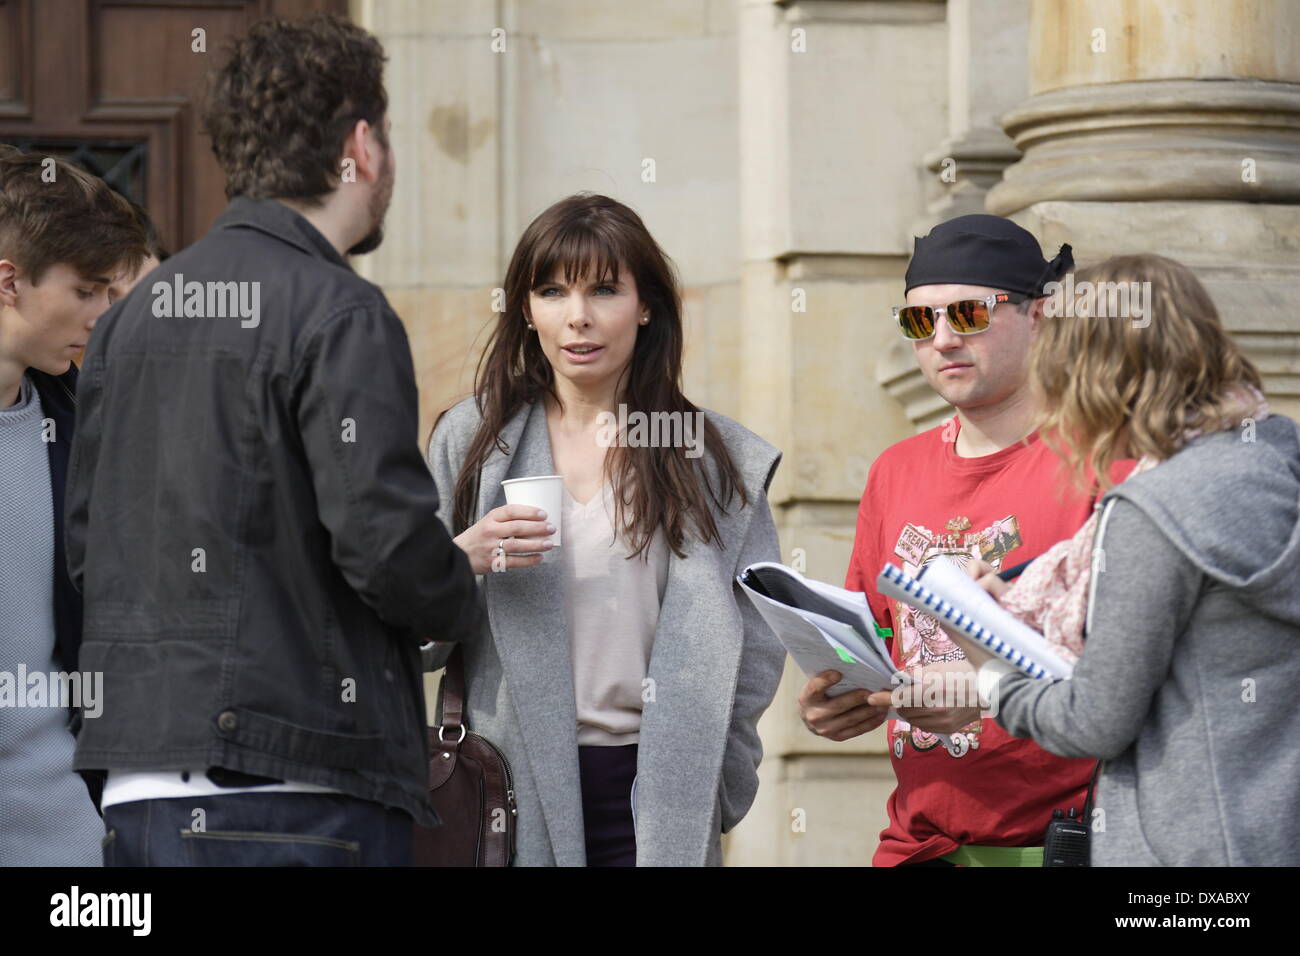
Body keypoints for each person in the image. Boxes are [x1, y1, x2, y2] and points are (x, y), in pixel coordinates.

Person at [64, 14, 479, 866]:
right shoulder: (340, 309)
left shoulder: (132, 315)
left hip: (138, 797)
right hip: (298, 794)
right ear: (360, 146)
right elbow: (386, 546)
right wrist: (464, 600)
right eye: (388, 134)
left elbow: (87, 550)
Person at [424, 192, 786, 866]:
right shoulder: (472, 442)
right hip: (505, 790)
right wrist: (456, 561)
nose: (578, 318)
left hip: (661, 796)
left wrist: (719, 779)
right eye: (553, 291)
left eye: (605, 290)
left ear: (646, 305)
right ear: (526, 310)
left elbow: (760, 636)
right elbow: (407, 640)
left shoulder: (712, 459)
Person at [798, 214, 1132, 866]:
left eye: (970, 314)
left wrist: (985, 697)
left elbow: (1132, 675)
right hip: (918, 846)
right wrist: (841, 699)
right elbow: (876, 639)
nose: (944, 338)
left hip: (1067, 846)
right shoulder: (895, 470)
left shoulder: (1107, 462)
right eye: (920, 321)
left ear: (1039, 316)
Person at [946, 253, 1300, 866]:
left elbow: (1093, 723)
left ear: (1091, 376)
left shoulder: (1157, 509)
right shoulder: (1277, 452)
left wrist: (988, 669)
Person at [0, 145, 148, 865]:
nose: (102, 314)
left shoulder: (86, 425)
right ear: (8, 281)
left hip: (69, 835)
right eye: (87, 290)